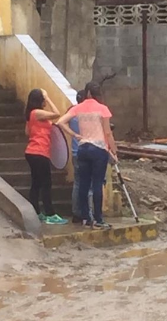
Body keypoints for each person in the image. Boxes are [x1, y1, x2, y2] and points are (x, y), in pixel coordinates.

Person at [57, 82, 117, 229]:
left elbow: (60, 122)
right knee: (97, 184)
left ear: (87, 93)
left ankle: (85, 218)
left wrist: (75, 135)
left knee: (83, 184)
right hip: (98, 149)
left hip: (83, 148)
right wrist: (114, 151)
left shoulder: (78, 108)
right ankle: (98, 219)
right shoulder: (103, 109)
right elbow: (107, 133)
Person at [24, 89, 68, 225]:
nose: (44, 101)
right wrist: (48, 98)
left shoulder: (31, 115)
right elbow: (57, 113)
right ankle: (50, 213)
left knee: (36, 183)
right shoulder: (37, 113)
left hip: (33, 152)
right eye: (42, 99)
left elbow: (27, 132)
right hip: (39, 152)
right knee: (46, 183)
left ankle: (36, 211)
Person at [68, 90, 94, 223]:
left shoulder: (72, 113)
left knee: (77, 183)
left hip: (75, 152)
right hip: (87, 151)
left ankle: (76, 213)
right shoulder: (87, 115)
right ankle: (88, 214)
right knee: (88, 185)